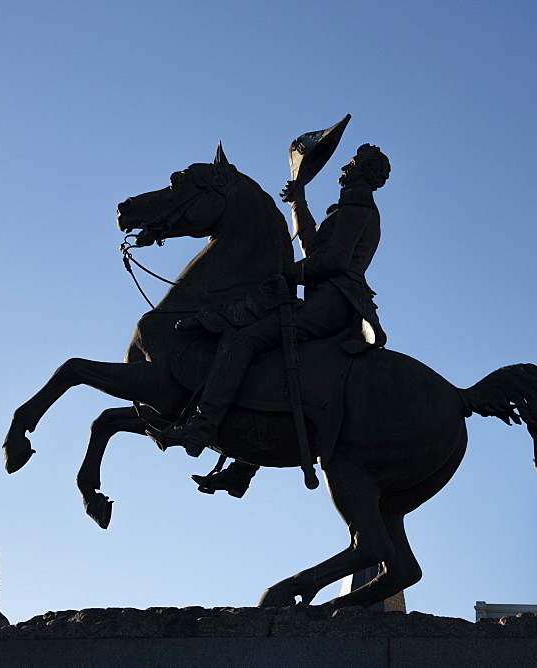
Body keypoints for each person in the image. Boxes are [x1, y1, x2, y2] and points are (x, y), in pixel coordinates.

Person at [165, 144, 391, 497]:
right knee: (271, 360)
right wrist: (297, 202)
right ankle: (242, 468)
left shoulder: (357, 206)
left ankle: (201, 426)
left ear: (365, 172)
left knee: (245, 339)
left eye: (353, 163)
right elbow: (313, 247)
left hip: (333, 304)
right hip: (323, 300)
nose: (345, 168)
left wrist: (284, 272)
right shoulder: (350, 208)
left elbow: (331, 261)